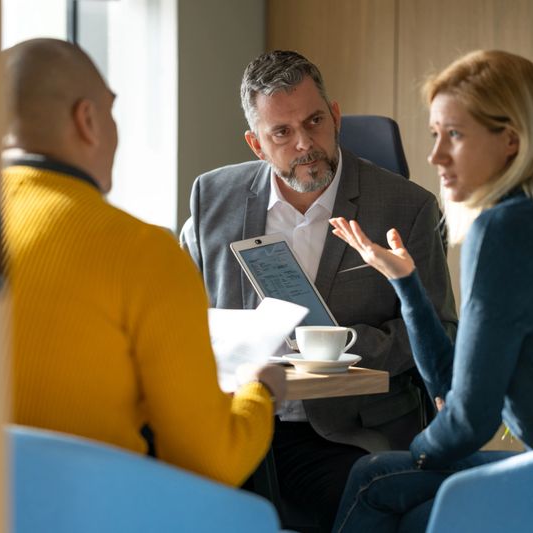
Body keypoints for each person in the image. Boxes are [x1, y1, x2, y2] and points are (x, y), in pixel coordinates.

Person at [180, 50, 457, 530]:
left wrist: (339, 346)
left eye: (314, 122)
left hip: (343, 433)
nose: (305, 143)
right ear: (256, 144)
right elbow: (180, 313)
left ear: (335, 116)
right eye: (282, 133)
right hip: (233, 423)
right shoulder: (212, 197)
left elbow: (438, 330)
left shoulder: (406, 207)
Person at [329, 49, 533, 532]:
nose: (435, 156)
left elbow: (469, 420)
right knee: (387, 489)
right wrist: (406, 283)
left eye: (454, 134)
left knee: (375, 483)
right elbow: (454, 390)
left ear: (511, 140)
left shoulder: (502, 232)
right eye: (435, 135)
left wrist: (419, 452)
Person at [1, 38, 287, 487]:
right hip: (92, 511)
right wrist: (262, 390)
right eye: (111, 111)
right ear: (88, 120)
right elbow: (212, 462)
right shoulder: (141, 250)